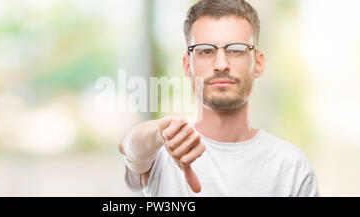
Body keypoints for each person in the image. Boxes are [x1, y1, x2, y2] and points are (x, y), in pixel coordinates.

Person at [119, 0, 319, 196]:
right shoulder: (163, 151)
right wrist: (159, 132)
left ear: (258, 63)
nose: (221, 64)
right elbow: (129, 148)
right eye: (206, 51)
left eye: (236, 50)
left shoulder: (292, 167)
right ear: (187, 66)